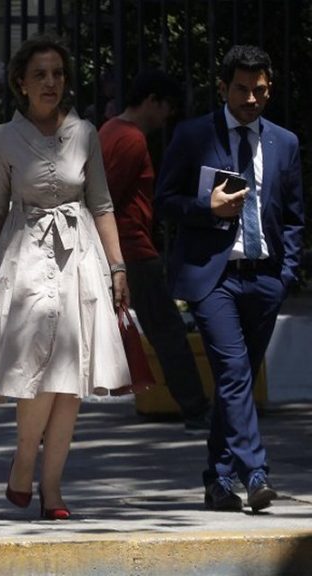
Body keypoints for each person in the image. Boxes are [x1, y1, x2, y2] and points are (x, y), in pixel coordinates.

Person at [0, 34, 130, 521]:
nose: (50, 82)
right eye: (39, 74)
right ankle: (24, 461)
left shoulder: (85, 133)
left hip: (79, 256)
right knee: (36, 372)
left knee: (70, 376)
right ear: (21, 83)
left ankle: (53, 486)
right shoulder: (5, 137)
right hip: (26, 254)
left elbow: (101, 204)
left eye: (58, 74)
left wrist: (117, 266)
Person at [154, 45, 303, 512]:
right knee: (235, 372)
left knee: (234, 381)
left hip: (265, 277)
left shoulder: (285, 143)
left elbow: (294, 217)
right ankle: (255, 472)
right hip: (213, 277)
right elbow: (164, 202)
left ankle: (217, 480)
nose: (250, 99)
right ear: (223, 88)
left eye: (260, 90)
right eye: (241, 89)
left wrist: (285, 275)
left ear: (270, 90)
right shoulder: (194, 135)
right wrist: (208, 208)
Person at [98, 69, 212, 434]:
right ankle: (196, 409)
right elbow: (106, 197)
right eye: (167, 107)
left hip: (117, 248)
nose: (168, 117)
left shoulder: (109, 130)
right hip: (131, 249)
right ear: (152, 101)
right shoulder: (131, 139)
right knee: (167, 330)